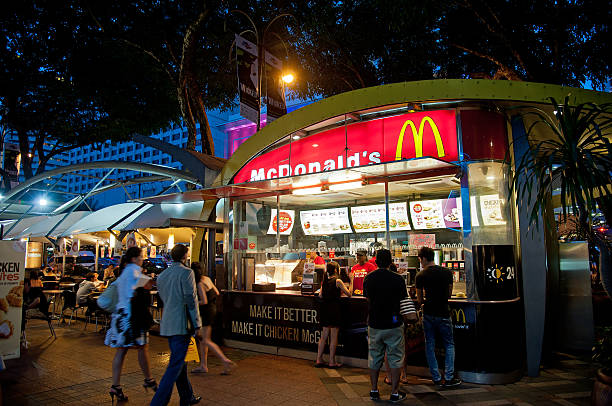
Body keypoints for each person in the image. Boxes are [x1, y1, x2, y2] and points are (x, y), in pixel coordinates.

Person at [151, 245, 202, 406]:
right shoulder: (187, 273)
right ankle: (158, 402)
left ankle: (187, 396)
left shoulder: (162, 275)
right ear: (185, 256)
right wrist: (197, 323)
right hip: (182, 324)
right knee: (174, 366)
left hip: (168, 323)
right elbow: (191, 300)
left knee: (179, 362)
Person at [104, 247, 157, 402]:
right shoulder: (133, 270)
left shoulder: (124, 272)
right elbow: (147, 285)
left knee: (122, 351)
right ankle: (149, 379)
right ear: (134, 258)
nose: (142, 259)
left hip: (120, 317)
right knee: (142, 347)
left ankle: (115, 385)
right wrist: (149, 278)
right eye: (141, 257)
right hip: (132, 317)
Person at [363, 249, 409, 403]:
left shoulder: (369, 278)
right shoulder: (398, 279)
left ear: (376, 262)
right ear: (391, 262)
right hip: (394, 323)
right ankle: (395, 393)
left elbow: (368, 299)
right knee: (395, 358)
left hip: (375, 323)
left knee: (374, 358)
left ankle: (374, 390)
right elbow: (403, 299)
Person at [415, 246, 461, 388]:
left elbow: (419, 300)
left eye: (420, 259)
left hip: (428, 313)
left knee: (430, 344)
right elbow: (449, 294)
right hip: (443, 312)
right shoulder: (447, 272)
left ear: (423, 258)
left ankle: (435, 377)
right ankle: (448, 377)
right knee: (449, 344)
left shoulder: (420, 275)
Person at [190, 262, 235, 374]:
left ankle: (225, 361)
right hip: (212, 310)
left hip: (205, 313)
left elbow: (203, 301)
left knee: (206, 340)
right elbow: (216, 292)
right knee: (202, 340)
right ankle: (203, 365)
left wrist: (194, 302)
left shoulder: (199, 283)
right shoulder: (207, 279)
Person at [315, 261, 353, 368]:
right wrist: (352, 280)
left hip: (325, 310)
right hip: (334, 309)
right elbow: (349, 294)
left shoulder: (325, 281)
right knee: (334, 336)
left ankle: (319, 359)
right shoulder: (338, 281)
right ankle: (332, 361)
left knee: (324, 335)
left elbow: (321, 295)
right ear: (336, 270)